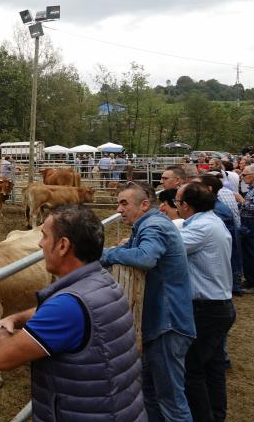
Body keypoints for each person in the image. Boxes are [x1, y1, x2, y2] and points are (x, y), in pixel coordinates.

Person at [0, 204, 145, 422]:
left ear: (63, 245)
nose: (40, 243)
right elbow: (59, 313)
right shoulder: (101, 281)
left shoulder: (67, 307)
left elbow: (1, 356)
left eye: (44, 236)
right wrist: (17, 317)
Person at [101, 182, 195, 422]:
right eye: (118, 203)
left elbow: (145, 257)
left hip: (168, 322)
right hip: (159, 319)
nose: (119, 209)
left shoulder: (153, 225)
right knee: (151, 391)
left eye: (124, 203)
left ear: (144, 204)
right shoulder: (148, 224)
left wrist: (103, 254)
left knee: (171, 399)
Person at [175, 183, 235, 422]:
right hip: (218, 306)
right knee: (213, 368)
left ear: (185, 206)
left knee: (192, 370)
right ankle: (216, 415)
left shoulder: (200, 229)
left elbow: (168, 246)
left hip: (206, 309)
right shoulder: (211, 222)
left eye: (178, 201)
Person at [197, 174, 242, 297]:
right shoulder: (216, 206)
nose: (193, 188)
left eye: (197, 186)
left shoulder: (216, 210)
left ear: (209, 189)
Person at [238, 166, 254, 293]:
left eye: (244, 175)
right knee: (247, 253)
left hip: (253, 223)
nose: (241, 177)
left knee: (251, 253)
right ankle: (251, 279)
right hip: (249, 222)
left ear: (253, 175)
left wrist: (242, 201)